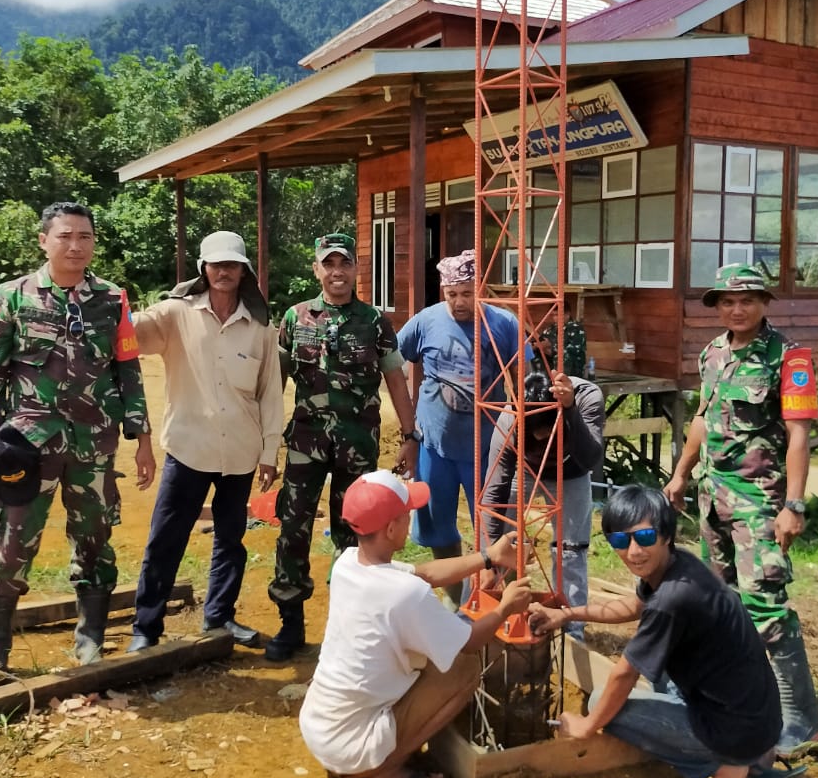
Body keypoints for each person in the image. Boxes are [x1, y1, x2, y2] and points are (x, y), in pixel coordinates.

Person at [0, 201, 155, 691]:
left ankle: (90, 634)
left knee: (94, 538)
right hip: (27, 447)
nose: (76, 246)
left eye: (85, 237)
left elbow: (127, 370)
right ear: (44, 240)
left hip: (93, 446)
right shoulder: (10, 297)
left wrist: (143, 440)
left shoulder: (112, 299)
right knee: (13, 542)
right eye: (66, 236)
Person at [529, 485, 802, 778]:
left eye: (643, 536)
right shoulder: (678, 565)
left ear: (666, 533)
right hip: (754, 715)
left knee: (603, 701)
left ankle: (726, 768)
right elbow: (634, 605)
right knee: (659, 664)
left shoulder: (672, 600)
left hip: (735, 728)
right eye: (619, 541)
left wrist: (586, 727)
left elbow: (624, 674)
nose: (633, 551)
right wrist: (567, 615)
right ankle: (755, 757)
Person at [298, 470, 532, 778]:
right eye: (406, 515)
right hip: (353, 754)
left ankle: (379, 756)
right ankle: (385, 774)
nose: (411, 520)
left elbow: (423, 574)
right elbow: (469, 642)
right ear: (391, 528)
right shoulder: (404, 596)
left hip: (323, 732)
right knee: (463, 669)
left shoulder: (349, 564)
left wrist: (487, 557)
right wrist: (505, 609)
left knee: (428, 658)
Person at [663, 263, 818, 753]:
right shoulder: (713, 353)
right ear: (716, 307)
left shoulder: (789, 358)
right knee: (722, 599)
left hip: (760, 500)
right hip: (715, 495)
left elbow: (799, 436)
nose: (737, 309)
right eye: (727, 302)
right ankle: (730, 689)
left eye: (747, 300)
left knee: (766, 606)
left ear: (764, 303)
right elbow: (703, 419)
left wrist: (792, 504)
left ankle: (802, 718)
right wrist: (682, 472)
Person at [266, 233, 420, 662]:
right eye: (328, 264)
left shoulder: (373, 321)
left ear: (355, 270)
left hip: (357, 447)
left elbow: (396, 380)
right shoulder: (295, 318)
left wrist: (410, 437)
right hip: (304, 444)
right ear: (316, 269)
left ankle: (351, 623)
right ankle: (291, 622)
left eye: (344, 264)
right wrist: (264, 443)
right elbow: (274, 383)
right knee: (293, 527)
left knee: (356, 533)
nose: (337, 272)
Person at [127, 231, 284, 651]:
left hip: (241, 452)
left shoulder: (260, 326)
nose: (223, 271)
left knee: (230, 540)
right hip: (188, 448)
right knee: (166, 539)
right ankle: (146, 628)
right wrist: (113, 307)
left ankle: (219, 618)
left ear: (243, 269)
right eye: (216, 264)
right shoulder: (176, 314)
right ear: (203, 269)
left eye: (231, 264)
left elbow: (271, 392)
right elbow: (135, 334)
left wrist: (269, 452)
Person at [397, 249, 524, 602]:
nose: (459, 302)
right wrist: (409, 431)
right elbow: (395, 360)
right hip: (435, 446)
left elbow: (522, 379)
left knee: (499, 531)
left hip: (487, 450)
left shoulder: (504, 324)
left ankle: (502, 604)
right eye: (452, 294)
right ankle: (456, 603)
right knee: (439, 528)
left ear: (479, 288)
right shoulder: (426, 321)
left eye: (467, 293)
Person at [483, 365, 604, 635]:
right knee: (497, 539)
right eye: (537, 440)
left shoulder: (586, 398)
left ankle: (572, 629)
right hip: (524, 472)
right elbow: (495, 490)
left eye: (550, 437)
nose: (544, 447)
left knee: (570, 550)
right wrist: (488, 557)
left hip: (573, 473)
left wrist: (570, 410)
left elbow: (590, 458)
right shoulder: (509, 419)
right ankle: (490, 619)